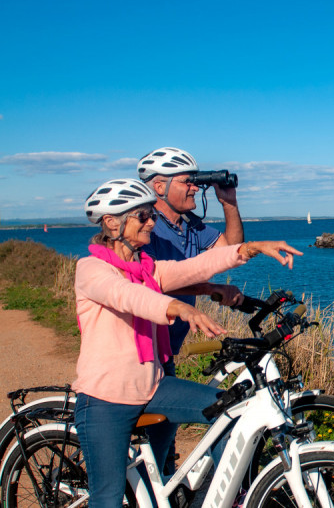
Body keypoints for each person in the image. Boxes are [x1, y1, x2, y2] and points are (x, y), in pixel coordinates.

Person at [74, 178, 302, 506]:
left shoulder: (146, 270)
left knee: (230, 410)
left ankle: (227, 497)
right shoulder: (91, 269)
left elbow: (194, 267)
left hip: (154, 387)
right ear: (112, 222)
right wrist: (176, 307)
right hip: (105, 400)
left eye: (151, 214)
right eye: (142, 216)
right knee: (107, 498)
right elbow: (127, 296)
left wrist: (248, 249)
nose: (151, 221)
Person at [136, 147, 245, 375]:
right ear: (159, 187)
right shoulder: (147, 229)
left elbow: (232, 253)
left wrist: (229, 204)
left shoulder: (190, 226)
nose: (195, 187)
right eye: (187, 182)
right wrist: (210, 288)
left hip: (167, 348)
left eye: (195, 181)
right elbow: (155, 281)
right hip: (142, 350)